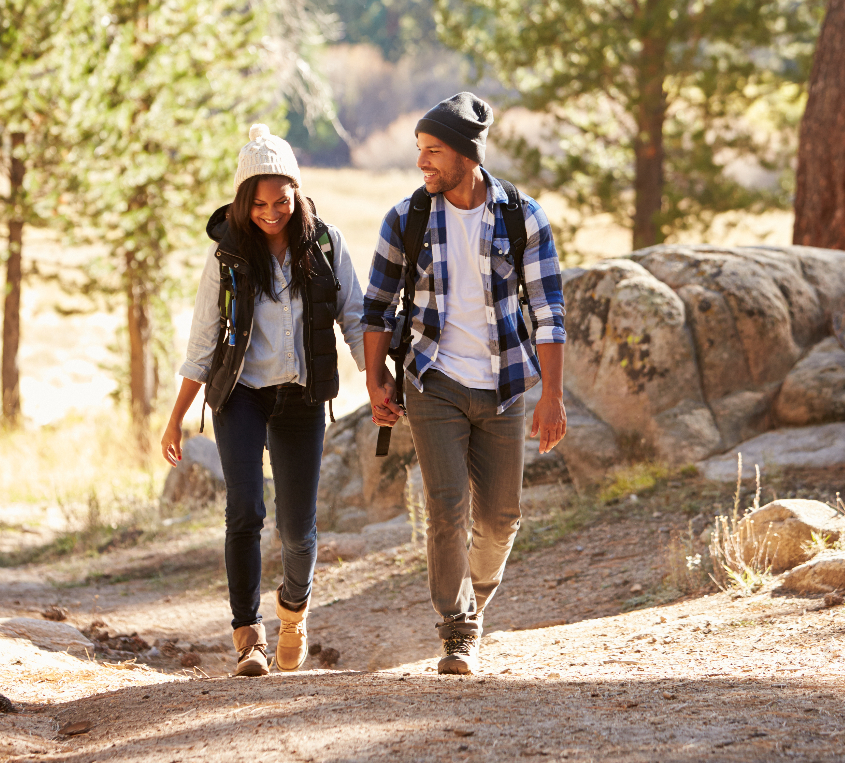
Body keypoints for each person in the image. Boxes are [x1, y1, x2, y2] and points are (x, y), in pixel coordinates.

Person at [362, 92, 567, 675]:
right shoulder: (406, 218)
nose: (422, 162)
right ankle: (456, 629)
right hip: (434, 379)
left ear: (467, 156)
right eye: (420, 151)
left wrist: (551, 397)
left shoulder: (521, 215)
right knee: (446, 508)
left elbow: (550, 313)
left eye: (433, 152)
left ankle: (472, 599)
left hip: (504, 384)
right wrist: (377, 382)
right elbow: (376, 309)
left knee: (501, 517)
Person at [161, 124, 365, 677]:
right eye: (258, 203)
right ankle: (247, 636)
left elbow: (354, 319)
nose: (271, 212)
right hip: (241, 396)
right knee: (245, 510)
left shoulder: (325, 244)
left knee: (298, 529)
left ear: (297, 192)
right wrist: (177, 417)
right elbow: (204, 339)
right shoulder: (227, 256)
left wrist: (376, 379)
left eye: (281, 200)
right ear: (241, 201)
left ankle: (293, 613)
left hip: (301, 397)